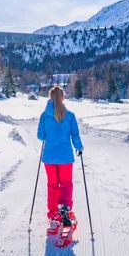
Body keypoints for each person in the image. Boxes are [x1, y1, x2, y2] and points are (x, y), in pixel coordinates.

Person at [37, 85, 83, 231]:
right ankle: (64, 211)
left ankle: (54, 216)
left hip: (49, 157)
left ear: (50, 97)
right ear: (62, 97)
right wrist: (79, 147)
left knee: (52, 185)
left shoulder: (44, 116)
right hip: (65, 157)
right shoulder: (70, 116)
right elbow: (75, 135)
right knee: (66, 184)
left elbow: (40, 136)